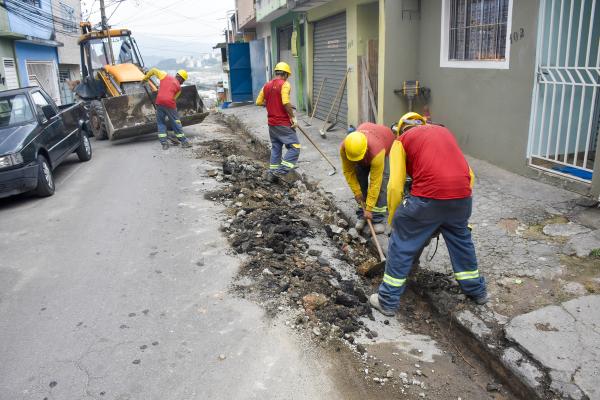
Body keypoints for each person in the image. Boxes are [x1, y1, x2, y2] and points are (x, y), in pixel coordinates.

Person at [369, 112, 488, 317]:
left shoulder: (402, 141)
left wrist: (395, 221)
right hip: (462, 198)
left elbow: (395, 186)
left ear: (400, 129)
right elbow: (469, 175)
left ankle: (387, 300)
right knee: (461, 242)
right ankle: (477, 291)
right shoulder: (444, 132)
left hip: (428, 199)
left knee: (402, 240)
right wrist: (451, 209)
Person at [340, 123, 395, 234]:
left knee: (383, 182)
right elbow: (348, 172)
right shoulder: (345, 147)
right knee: (359, 174)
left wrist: (370, 208)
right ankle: (362, 213)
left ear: (365, 150)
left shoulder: (377, 151)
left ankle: (377, 217)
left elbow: (375, 182)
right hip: (367, 137)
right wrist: (357, 192)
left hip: (385, 143)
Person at [255, 62, 299, 181]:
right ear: (285, 74)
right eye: (287, 75)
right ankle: (281, 171)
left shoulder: (267, 85)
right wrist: (293, 117)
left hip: (272, 124)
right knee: (295, 147)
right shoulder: (285, 85)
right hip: (283, 123)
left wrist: (270, 103)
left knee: (276, 147)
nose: (287, 78)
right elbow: (285, 102)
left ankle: (272, 174)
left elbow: (258, 102)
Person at [143, 68, 191, 150]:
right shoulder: (179, 88)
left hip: (159, 103)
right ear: (181, 78)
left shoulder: (164, 76)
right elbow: (174, 99)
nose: (182, 83)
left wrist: (145, 79)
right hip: (169, 104)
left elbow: (153, 70)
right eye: (183, 81)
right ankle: (184, 142)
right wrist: (172, 112)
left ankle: (164, 143)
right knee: (176, 122)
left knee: (161, 123)